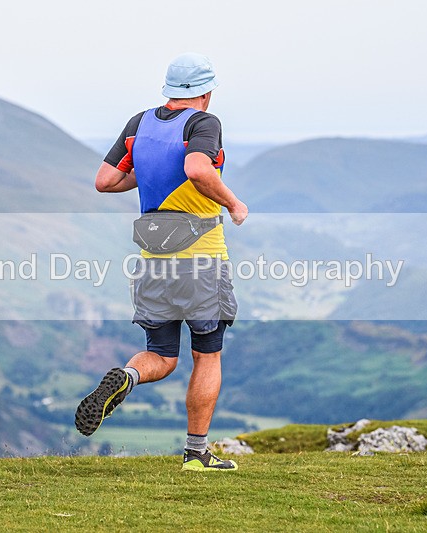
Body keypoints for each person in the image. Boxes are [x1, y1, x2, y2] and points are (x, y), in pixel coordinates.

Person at [75, 53, 248, 471]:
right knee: (207, 354)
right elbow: (195, 168)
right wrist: (233, 203)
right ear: (206, 92)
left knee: (163, 356)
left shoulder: (139, 123)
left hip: (153, 260)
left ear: (168, 90)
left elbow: (106, 180)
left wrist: (152, 172)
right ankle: (196, 454)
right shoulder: (203, 123)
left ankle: (128, 378)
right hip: (200, 258)